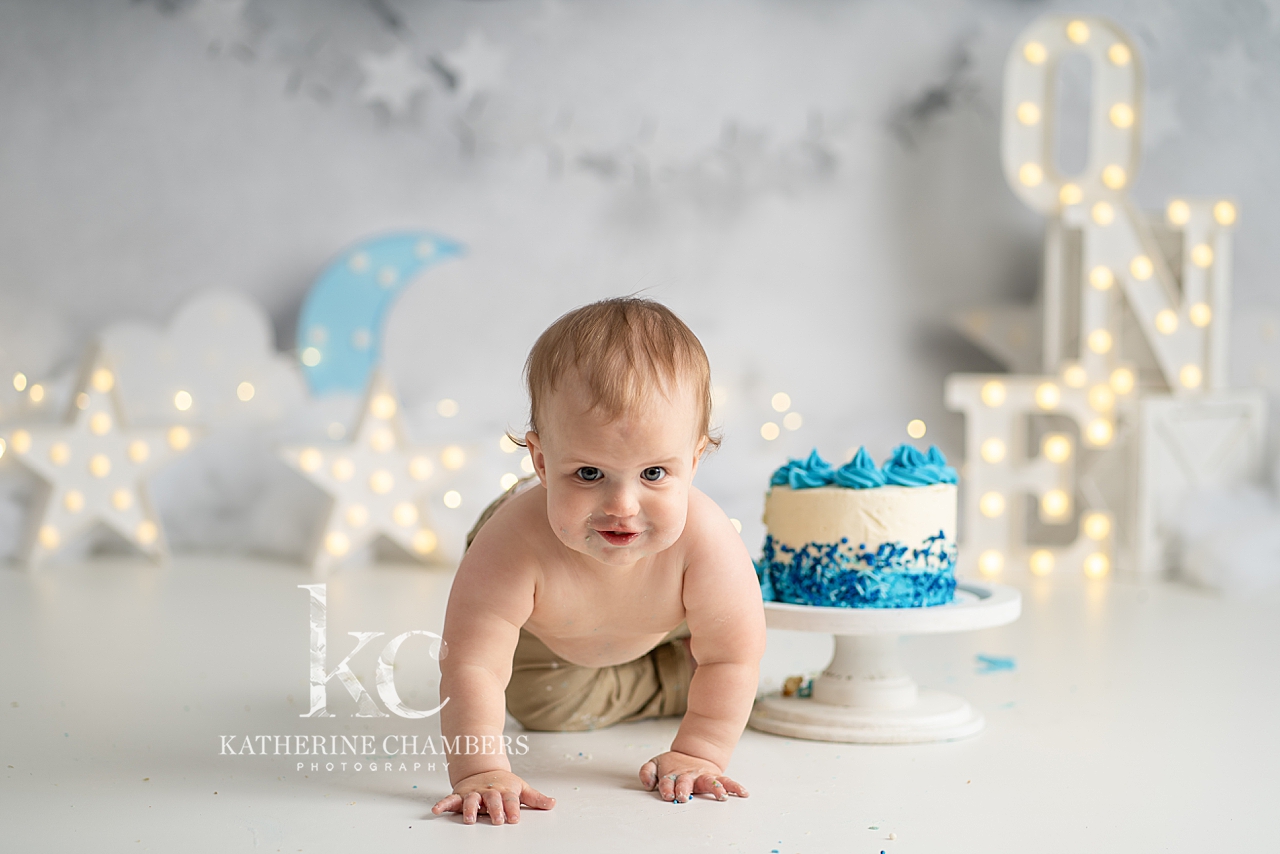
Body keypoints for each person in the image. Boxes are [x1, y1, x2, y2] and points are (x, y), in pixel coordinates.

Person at [431, 297, 766, 826]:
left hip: (668, 616)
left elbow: (731, 656)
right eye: (588, 474)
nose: (623, 507)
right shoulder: (513, 544)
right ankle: (674, 680)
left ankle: (678, 663)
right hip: (553, 635)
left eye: (654, 473)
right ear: (542, 462)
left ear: (695, 460)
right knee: (541, 705)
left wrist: (700, 750)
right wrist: (481, 770)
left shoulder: (705, 541)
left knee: (730, 627)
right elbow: (472, 661)